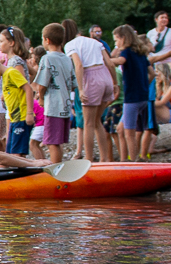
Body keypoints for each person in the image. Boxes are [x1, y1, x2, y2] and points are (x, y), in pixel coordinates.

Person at [64, 23, 114, 162]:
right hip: (105, 77)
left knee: (88, 123)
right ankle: (105, 159)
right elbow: (110, 63)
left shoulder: (70, 45)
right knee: (97, 121)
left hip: (91, 79)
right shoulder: (95, 42)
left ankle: (89, 160)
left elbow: (79, 65)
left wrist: (80, 89)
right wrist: (115, 84)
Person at [31, 25, 76, 165]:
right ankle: (59, 166)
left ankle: (55, 171)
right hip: (66, 106)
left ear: (47, 40)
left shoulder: (47, 58)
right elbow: (74, 82)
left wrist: (41, 96)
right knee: (58, 141)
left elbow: (42, 83)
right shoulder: (67, 58)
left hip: (53, 106)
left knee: (51, 142)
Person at [109, 25, 154, 160]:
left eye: (116, 40)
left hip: (132, 99)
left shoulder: (127, 52)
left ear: (123, 39)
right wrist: (144, 85)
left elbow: (120, 61)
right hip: (143, 97)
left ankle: (133, 161)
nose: (115, 44)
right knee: (120, 130)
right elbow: (152, 73)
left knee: (129, 133)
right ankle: (124, 160)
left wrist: (105, 61)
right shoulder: (140, 53)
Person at [0, 36, 34, 157]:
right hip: (14, 113)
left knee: (16, 152)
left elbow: (25, 87)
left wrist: (29, 112)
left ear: (11, 43)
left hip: (20, 113)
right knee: (13, 149)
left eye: (1, 41)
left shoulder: (15, 62)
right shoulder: (9, 62)